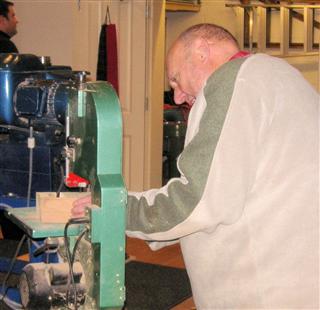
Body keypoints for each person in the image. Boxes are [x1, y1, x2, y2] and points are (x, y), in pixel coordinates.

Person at [73, 23, 319, 309]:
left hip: (266, 290)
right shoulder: (281, 74)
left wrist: (116, 209)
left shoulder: (232, 81)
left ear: (202, 51)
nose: (176, 97)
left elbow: (197, 199)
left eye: (175, 79)